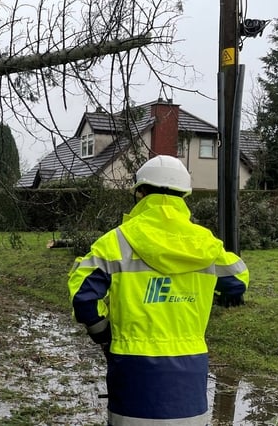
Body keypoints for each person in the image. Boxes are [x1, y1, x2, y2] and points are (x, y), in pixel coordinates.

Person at [67, 155, 249, 426]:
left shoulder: (115, 241)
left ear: (140, 193)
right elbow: (237, 280)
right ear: (185, 195)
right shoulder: (205, 243)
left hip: (132, 363)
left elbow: (84, 296)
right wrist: (213, 295)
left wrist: (103, 334)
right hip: (189, 365)